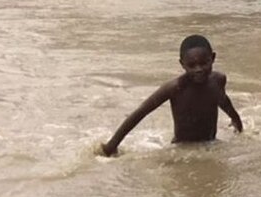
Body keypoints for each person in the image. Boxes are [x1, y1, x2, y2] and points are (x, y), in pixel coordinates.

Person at [99, 35, 242, 157]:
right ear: (182, 64)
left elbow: (222, 100)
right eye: (191, 65)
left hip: (211, 144)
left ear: (213, 58)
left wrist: (237, 121)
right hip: (182, 150)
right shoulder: (175, 88)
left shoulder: (218, 80)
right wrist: (112, 145)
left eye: (203, 63)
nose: (198, 69)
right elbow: (141, 112)